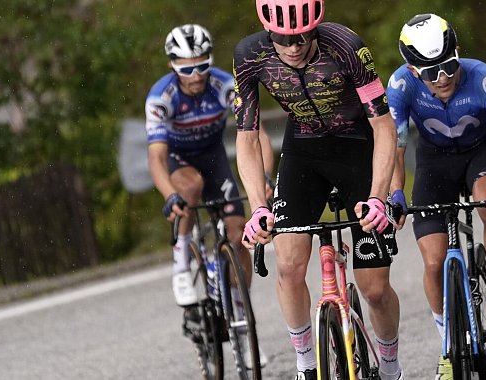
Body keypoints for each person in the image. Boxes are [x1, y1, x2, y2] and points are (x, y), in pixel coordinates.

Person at [232, 1, 403, 379]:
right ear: (268, 32)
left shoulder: (346, 45)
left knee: (375, 289)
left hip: (357, 147)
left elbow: (384, 127)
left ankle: (391, 369)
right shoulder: (250, 55)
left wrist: (378, 196)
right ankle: (307, 365)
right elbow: (247, 137)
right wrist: (258, 207)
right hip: (304, 151)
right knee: (289, 264)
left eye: (303, 37)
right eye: (283, 39)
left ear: (316, 28)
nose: (293, 47)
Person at [385, 14, 486, 380]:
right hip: (434, 162)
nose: (443, 78)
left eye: (448, 66)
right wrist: (395, 191)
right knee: (433, 261)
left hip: (481, 152)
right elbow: (395, 151)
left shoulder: (484, 78)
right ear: (413, 71)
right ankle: (447, 345)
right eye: (431, 73)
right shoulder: (399, 85)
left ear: (458, 52)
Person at [145, 23, 274, 366]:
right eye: (186, 68)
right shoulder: (162, 97)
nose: (196, 75)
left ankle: (240, 318)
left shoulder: (224, 84)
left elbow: (257, 134)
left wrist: (265, 177)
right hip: (178, 160)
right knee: (190, 187)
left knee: (240, 235)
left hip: (214, 158)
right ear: (172, 65)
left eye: (202, 65)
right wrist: (169, 195)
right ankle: (181, 258)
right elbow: (156, 158)